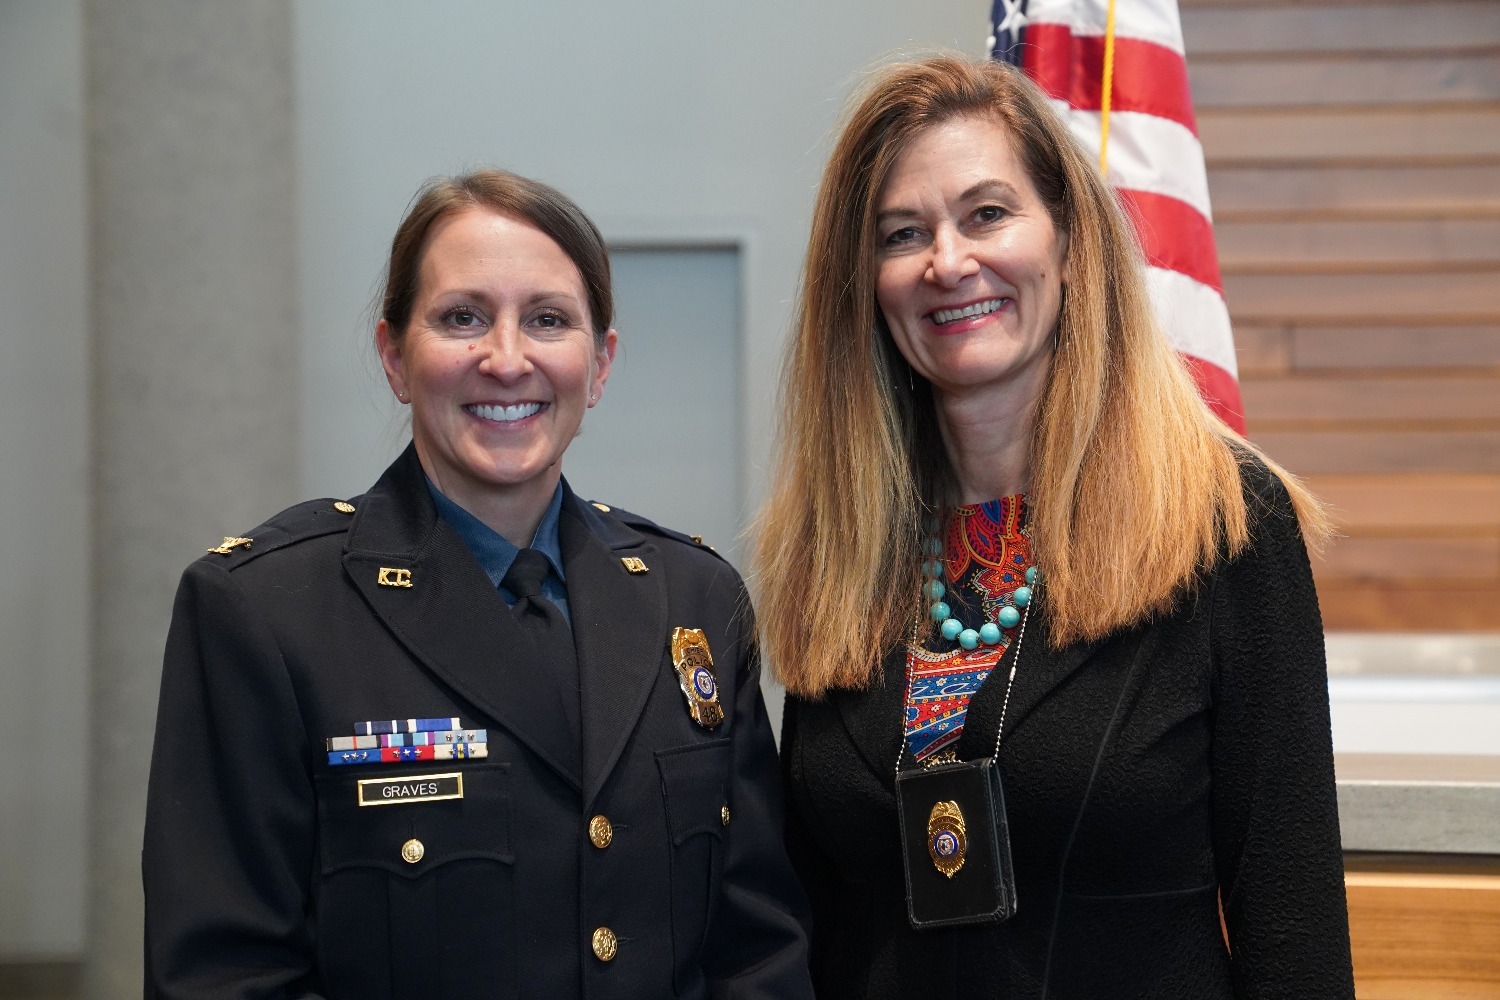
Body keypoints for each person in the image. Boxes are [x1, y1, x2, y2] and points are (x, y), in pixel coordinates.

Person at [754, 56, 1354, 998]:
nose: (948, 262)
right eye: (903, 234)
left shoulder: (1222, 524)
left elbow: (1295, 928)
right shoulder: (843, 545)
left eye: (987, 214)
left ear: (1070, 242)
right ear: (865, 282)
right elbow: (813, 913)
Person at [144, 169, 813, 999]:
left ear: (600, 364)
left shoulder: (695, 600)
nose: (507, 358)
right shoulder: (266, 612)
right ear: (396, 356)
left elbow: (758, 953)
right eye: (462, 317)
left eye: (548, 320)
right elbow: (226, 978)